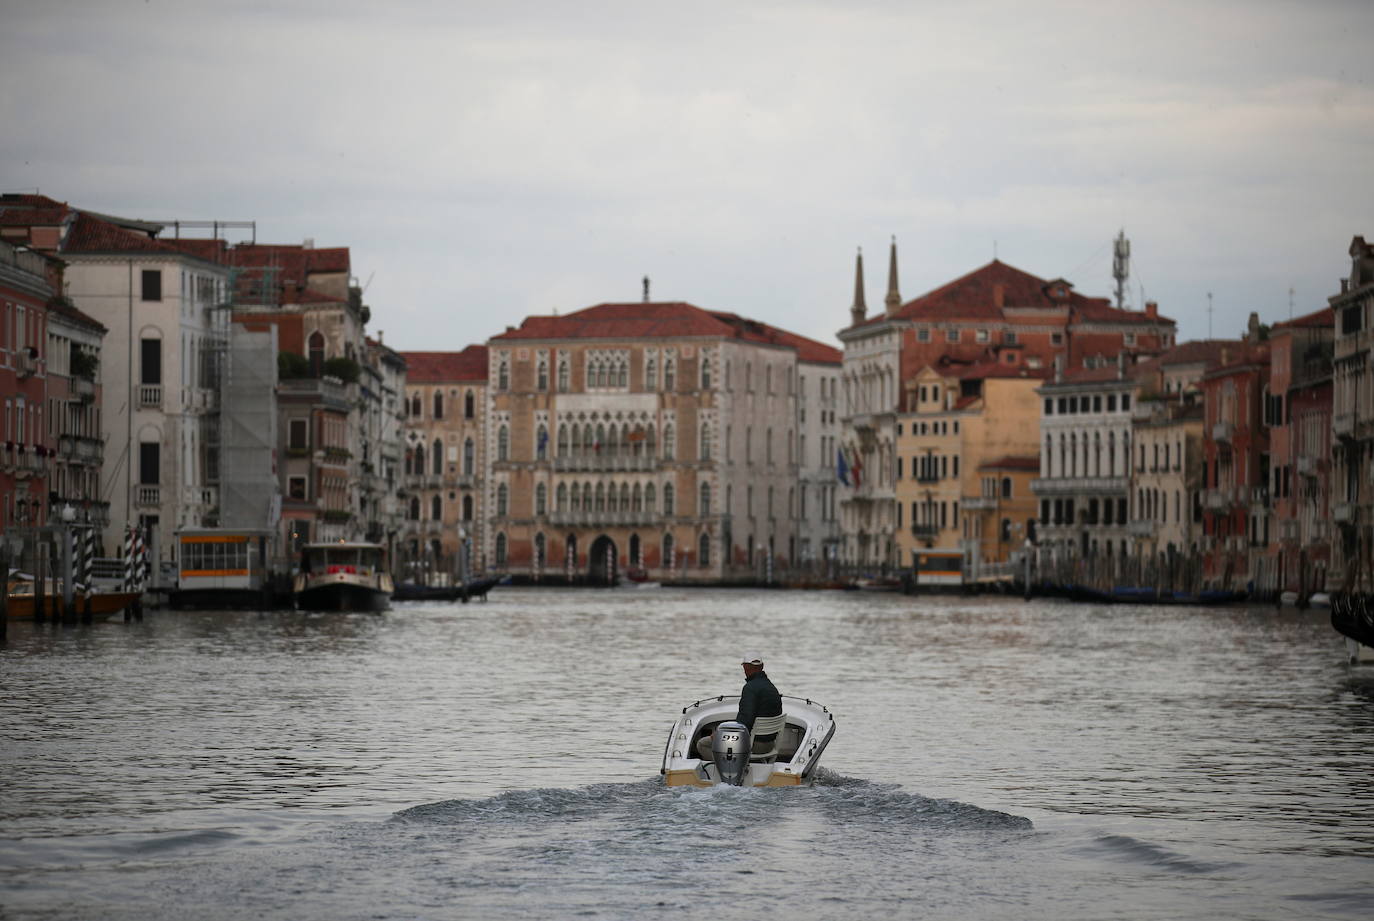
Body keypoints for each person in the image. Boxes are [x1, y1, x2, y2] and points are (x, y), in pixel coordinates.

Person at [696, 653, 784, 760]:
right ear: (762, 666)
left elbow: (745, 722)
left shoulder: (750, 688)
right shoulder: (771, 687)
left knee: (702, 744)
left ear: (745, 667)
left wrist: (720, 734)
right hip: (769, 744)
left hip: (754, 745)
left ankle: (729, 768)